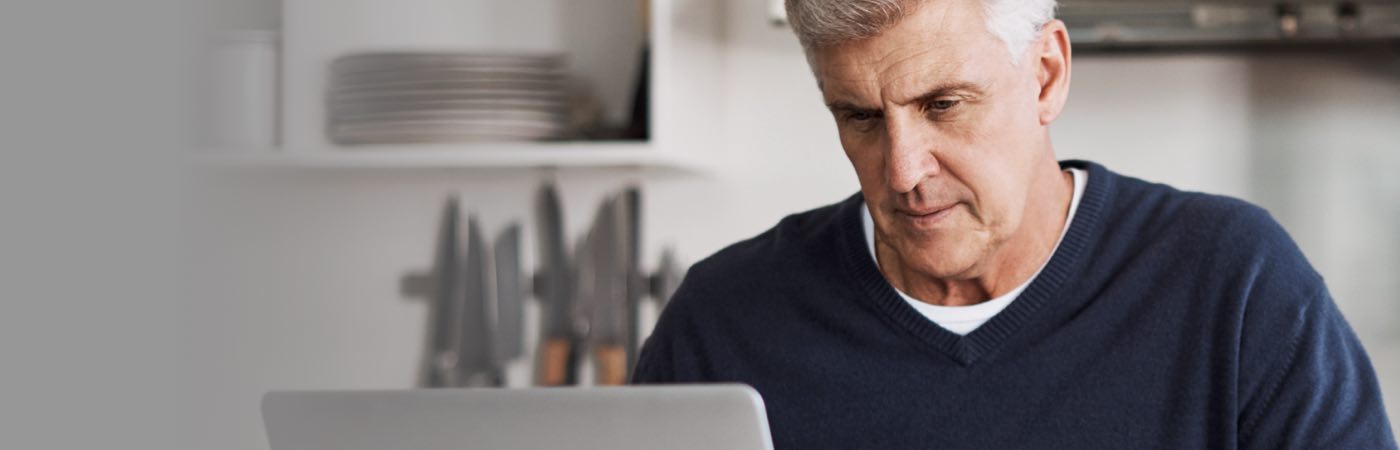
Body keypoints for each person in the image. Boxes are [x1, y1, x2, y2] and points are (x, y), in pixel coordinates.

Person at [630, 0, 1397, 448]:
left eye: (943, 106)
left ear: (1047, 75)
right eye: (859, 117)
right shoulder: (724, 320)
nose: (902, 171)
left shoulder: (1237, 286)